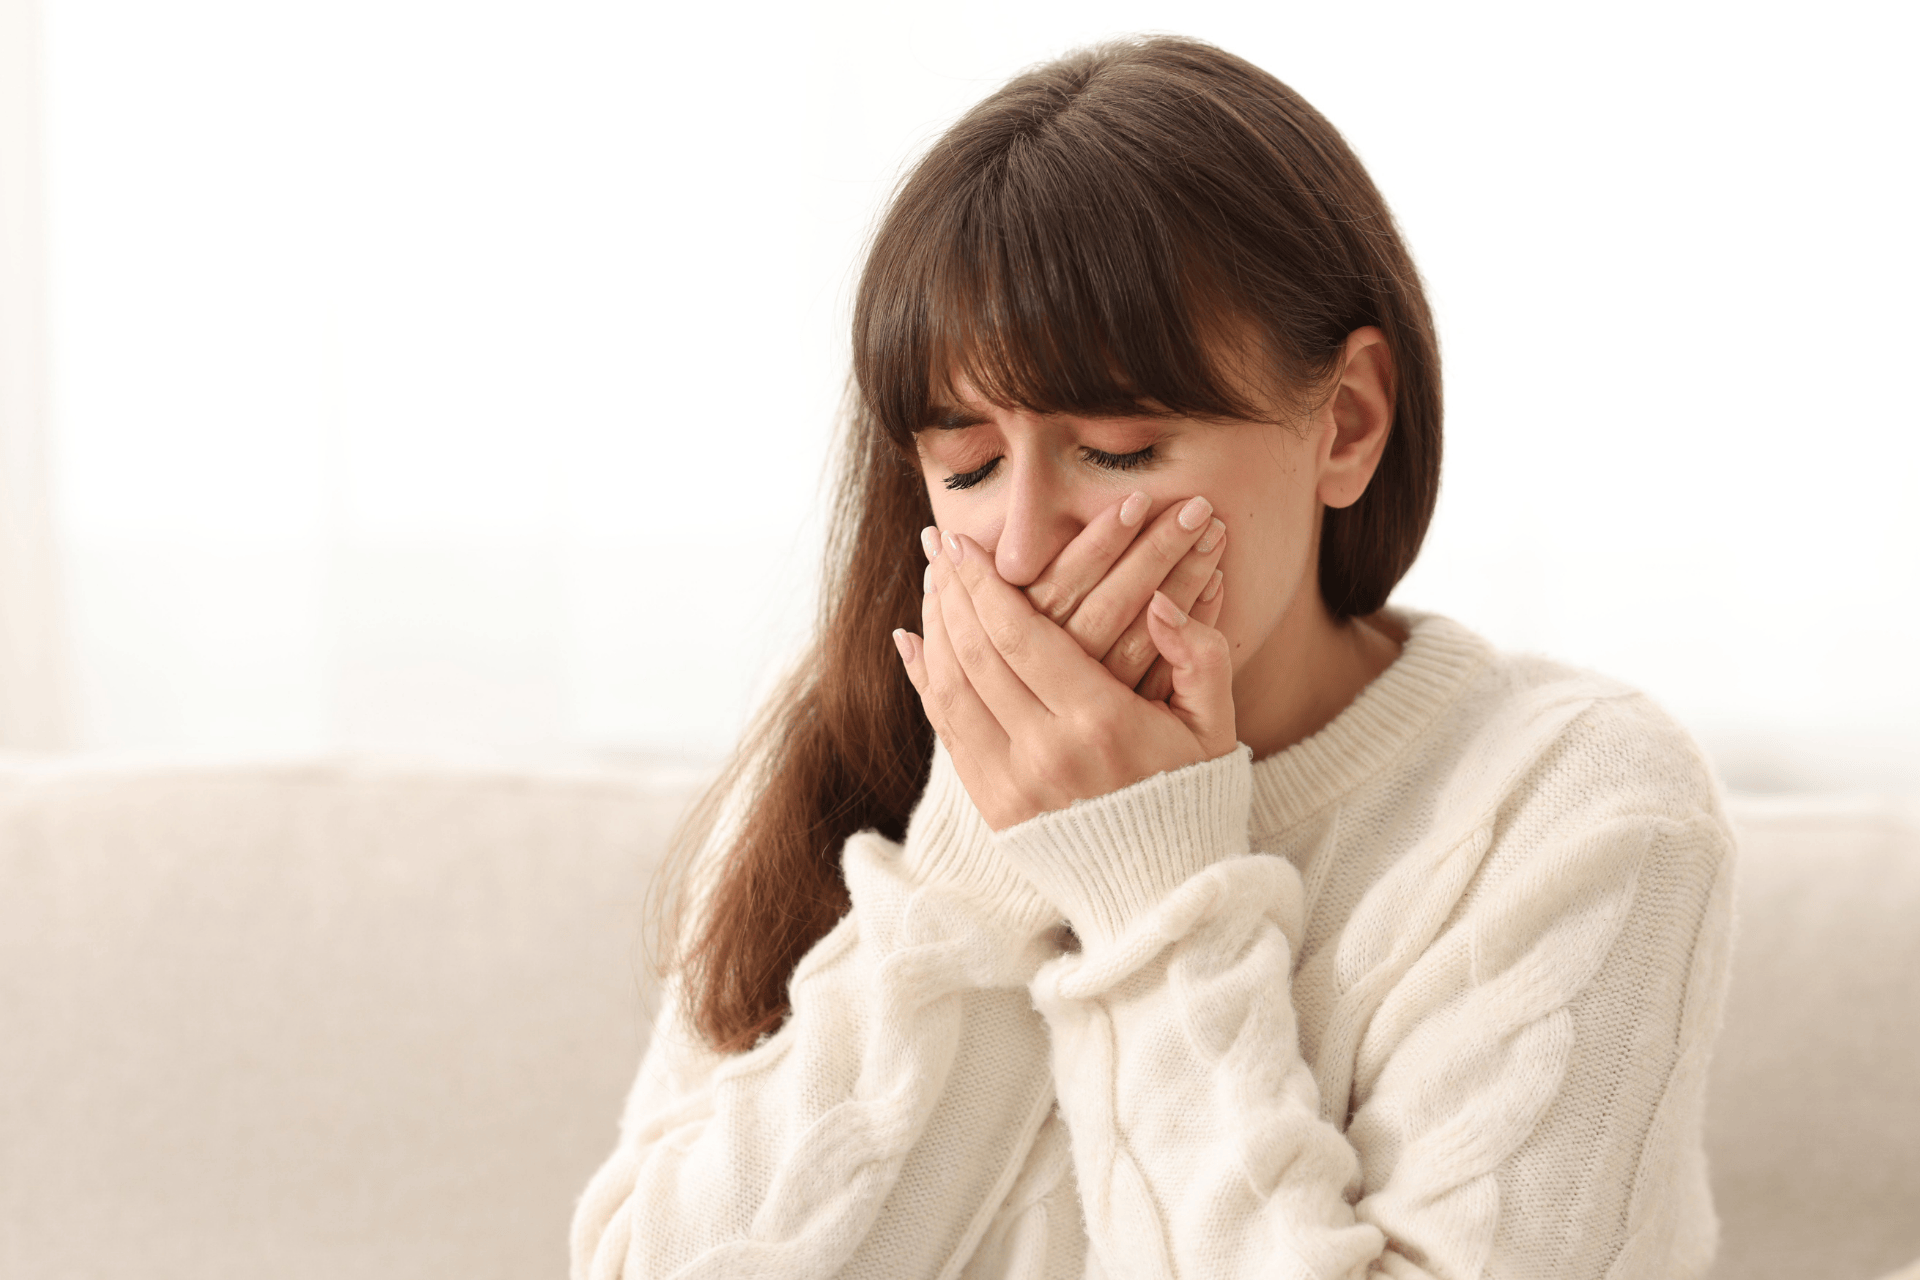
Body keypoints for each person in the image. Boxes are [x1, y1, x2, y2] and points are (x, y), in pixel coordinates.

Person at [571, 34, 1734, 1280]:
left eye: (1119, 450)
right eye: (968, 463)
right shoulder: (850, 720)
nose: (1023, 543)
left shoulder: (1573, 803)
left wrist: (1151, 886)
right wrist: (976, 862)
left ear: (1346, 423)